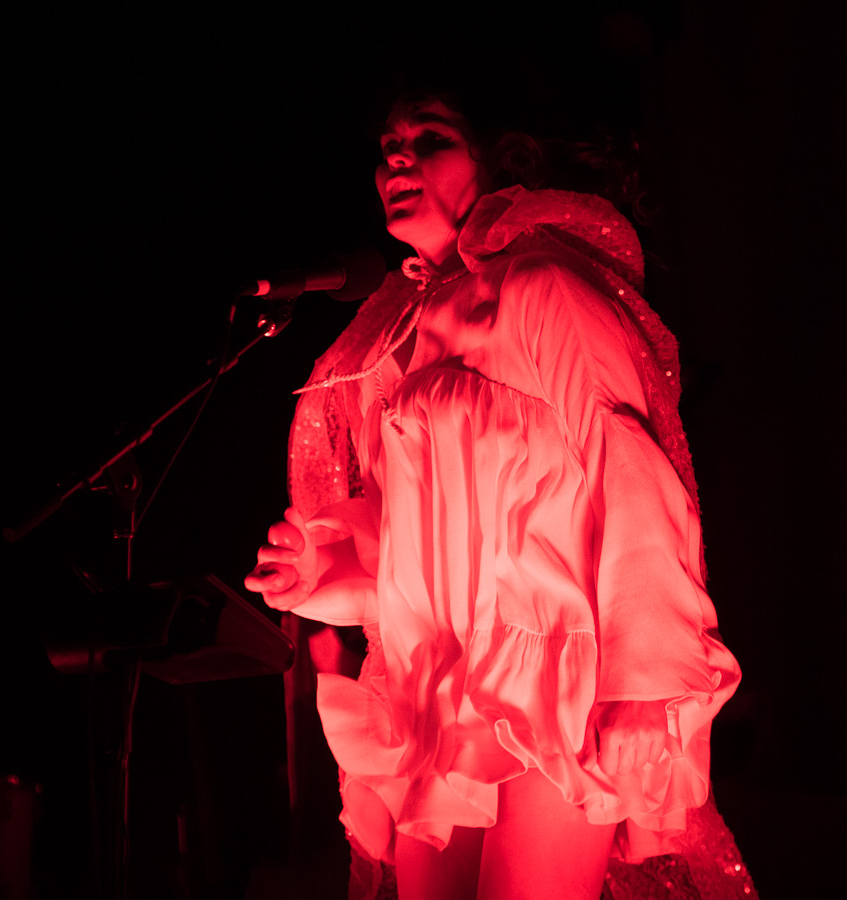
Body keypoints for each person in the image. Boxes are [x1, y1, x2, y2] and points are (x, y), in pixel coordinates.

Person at [245, 93, 747, 900]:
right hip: (436, 688)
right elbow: (418, 543)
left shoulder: (543, 290)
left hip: (548, 673)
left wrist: (643, 680)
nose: (397, 158)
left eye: (429, 138)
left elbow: (631, 472)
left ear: (499, 158)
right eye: (388, 143)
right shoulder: (394, 343)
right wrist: (323, 566)